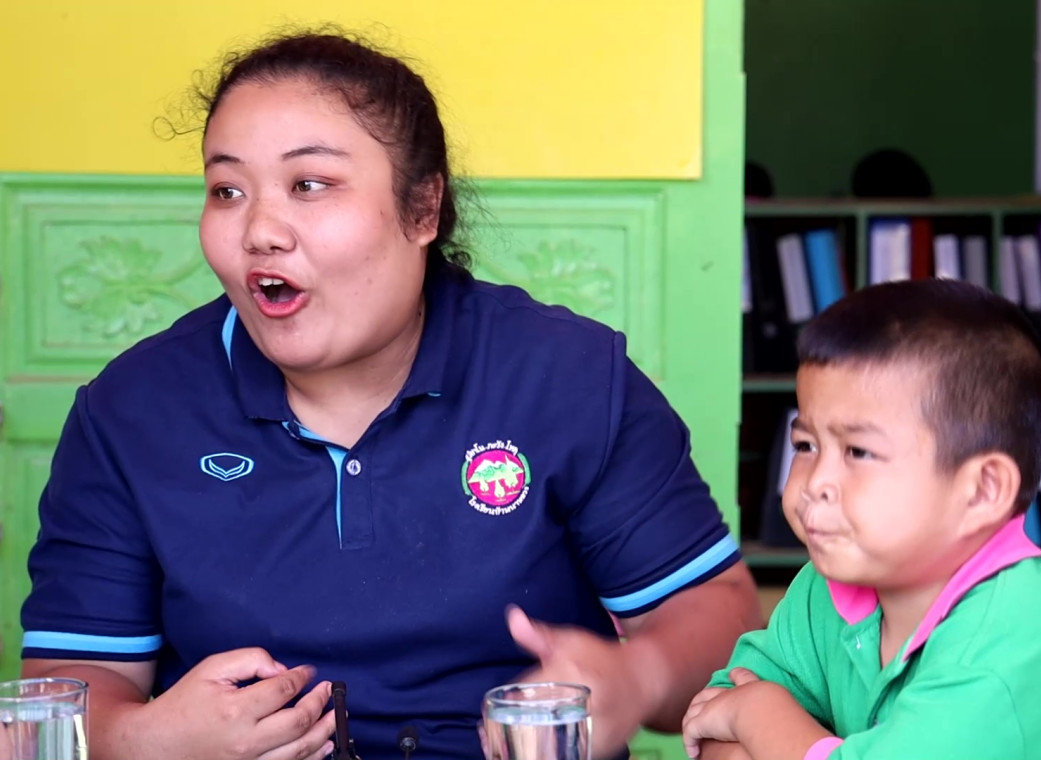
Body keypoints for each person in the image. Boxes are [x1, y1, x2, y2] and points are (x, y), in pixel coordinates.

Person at [19, 28, 762, 760]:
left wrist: (636, 678)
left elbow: (715, 612)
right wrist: (148, 740)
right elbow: (71, 684)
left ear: (423, 209)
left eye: (309, 185)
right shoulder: (131, 411)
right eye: (227, 190)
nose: (260, 231)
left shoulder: (567, 376)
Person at [681, 278, 1041, 760]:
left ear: (982, 489)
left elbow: (741, 709)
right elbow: (714, 716)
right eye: (806, 445)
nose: (816, 482)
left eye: (858, 451)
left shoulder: (1014, 626)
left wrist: (759, 715)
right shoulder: (829, 587)